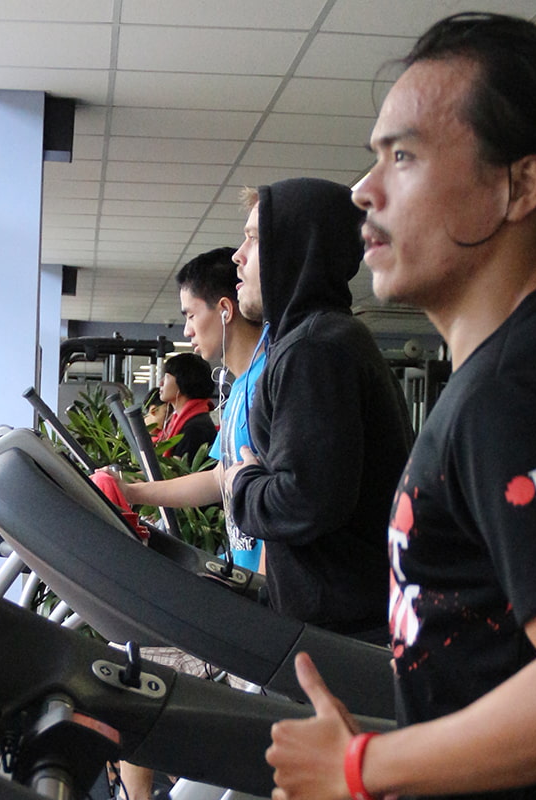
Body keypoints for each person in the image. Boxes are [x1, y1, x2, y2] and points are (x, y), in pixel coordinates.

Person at [265, 13, 536, 800]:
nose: (365, 190)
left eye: (404, 156)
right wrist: (483, 716)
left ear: (519, 187)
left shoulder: (515, 393)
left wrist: (362, 768)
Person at [223, 177, 413, 639]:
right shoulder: (319, 339)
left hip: (345, 633)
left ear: (294, 248)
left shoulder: (313, 350)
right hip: (340, 620)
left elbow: (307, 502)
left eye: (253, 238)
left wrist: (241, 484)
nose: (238, 255)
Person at [119, 246, 267, 572]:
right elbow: (219, 478)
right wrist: (130, 492)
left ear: (225, 309)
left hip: (272, 590)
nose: (186, 330)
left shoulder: (270, 381)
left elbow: (283, 499)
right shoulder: (241, 386)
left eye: (190, 314)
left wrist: (269, 592)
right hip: (246, 571)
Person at [153, 352, 217, 461]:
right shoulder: (181, 421)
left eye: (167, 377)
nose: (161, 383)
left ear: (182, 381)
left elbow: (173, 471)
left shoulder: (196, 428)